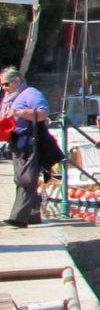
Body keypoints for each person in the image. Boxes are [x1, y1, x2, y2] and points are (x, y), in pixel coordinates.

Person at [4, 69, 57, 227]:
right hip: (17, 143)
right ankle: (33, 215)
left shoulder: (31, 93)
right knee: (22, 179)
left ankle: (18, 218)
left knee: (25, 179)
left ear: (16, 81)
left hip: (29, 143)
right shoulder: (11, 97)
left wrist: (19, 113)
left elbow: (42, 112)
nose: (4, 88)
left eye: (6, 84)